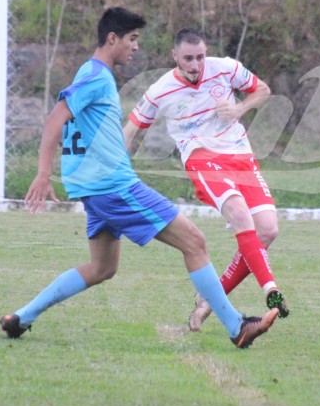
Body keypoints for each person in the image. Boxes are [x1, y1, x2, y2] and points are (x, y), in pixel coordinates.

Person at [0, 7, 277, 349]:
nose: (135, 47)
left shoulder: (89, 72)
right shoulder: (98, 76)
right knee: (195, 242)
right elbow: (56, 117)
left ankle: (22, 316)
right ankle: (236, 327)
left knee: (102, 268)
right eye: (132, 40)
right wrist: (43, 174)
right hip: (114, 187)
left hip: (95, 190)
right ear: (112, 39)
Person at [123, 27, 289, 332]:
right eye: (188, 58)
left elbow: (262, 89)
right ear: (175, 56)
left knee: (267, 230)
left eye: (200, 57)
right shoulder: (160, 90)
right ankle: (271, 290)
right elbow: (131, 129)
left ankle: (209, 302)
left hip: (240, 156)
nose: (195, 64)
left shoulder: (224, 68)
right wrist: (114, 166)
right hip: (201, 157)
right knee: (240, 214)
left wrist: (239, 108)